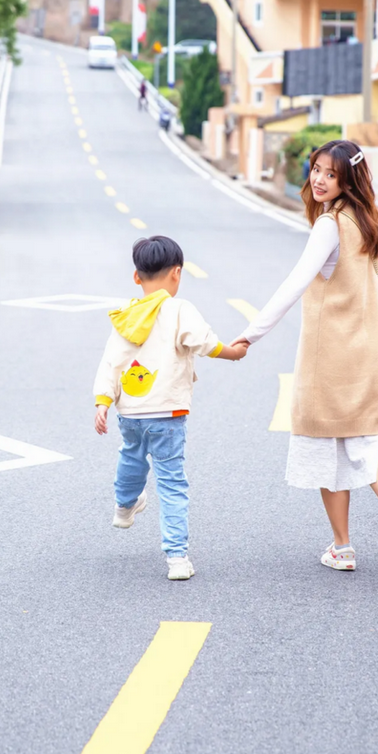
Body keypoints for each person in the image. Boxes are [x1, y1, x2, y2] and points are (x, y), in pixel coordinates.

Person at [233, 140, 378, 581]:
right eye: (316, 169)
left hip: (330, 356)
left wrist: (251, 334)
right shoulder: (370, 221)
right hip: (372, 351)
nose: (318, 180)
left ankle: (343, 546)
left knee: (327, 447)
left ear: (347, 179)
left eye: (330, 174)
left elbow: (295, 282)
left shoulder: (330, 225)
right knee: (369, 442)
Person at [94, 235, 248, 580]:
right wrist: (233, 352)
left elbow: (110, 363)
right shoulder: (179, 309)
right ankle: (177, 558)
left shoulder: (128, 316)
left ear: (137, 277)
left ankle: (124, 507)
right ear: (177, 274)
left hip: (130, 412)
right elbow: (204, 343)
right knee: (171, 481)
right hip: (168, 414)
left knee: (131, 455)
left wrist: (103, 401)